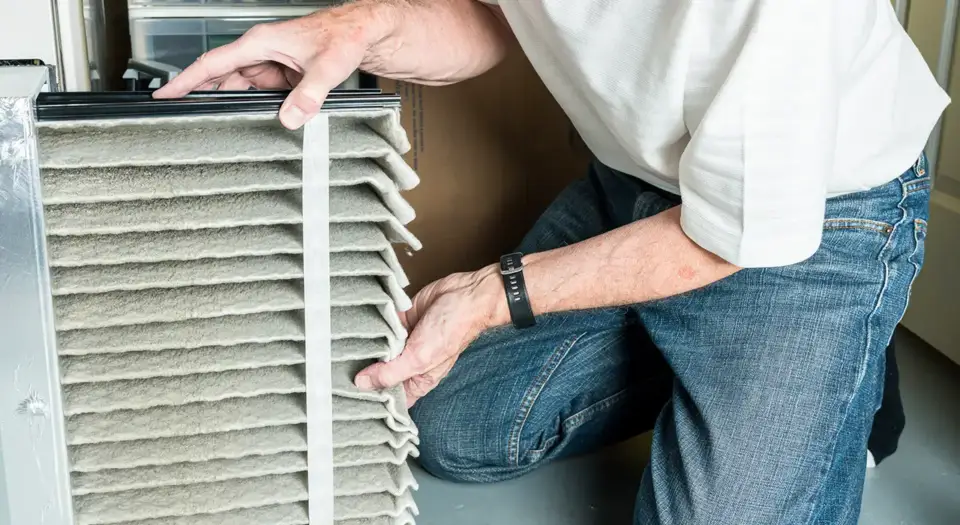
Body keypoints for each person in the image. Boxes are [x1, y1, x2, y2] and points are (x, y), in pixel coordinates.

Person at [155, 1, 948, 523]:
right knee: (445, 424)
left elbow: (729, 231)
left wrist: (491, 294)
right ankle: (736, 372)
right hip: (636, 184)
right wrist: (365, 28)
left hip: (810, 217)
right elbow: (502, 16)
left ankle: (842, 365)